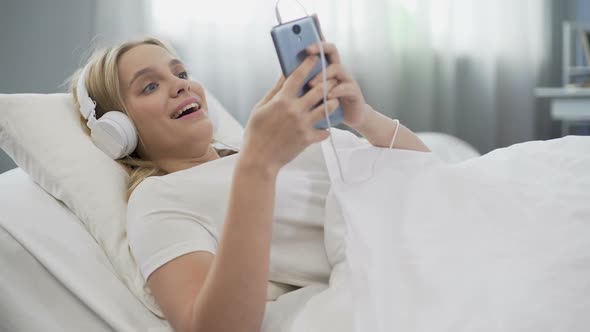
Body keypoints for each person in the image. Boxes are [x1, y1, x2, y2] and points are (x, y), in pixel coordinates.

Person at [71, 37, 430, 332]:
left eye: (181, 72)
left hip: (426, 228)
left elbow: (428, 174)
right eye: (150, 86)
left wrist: (361, 116)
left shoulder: (259, 145)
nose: (181, 85)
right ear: (118, 130)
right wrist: (259, 165)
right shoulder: (158, 199)